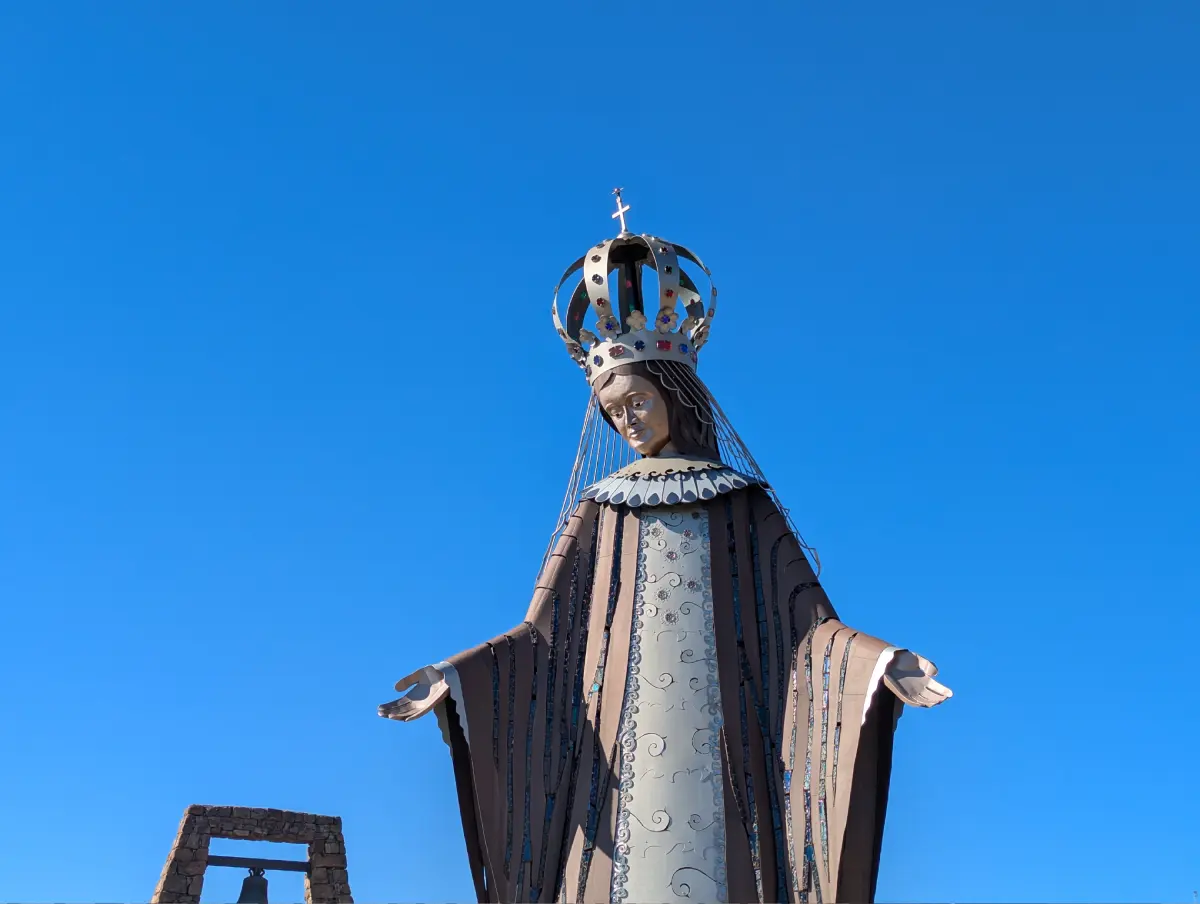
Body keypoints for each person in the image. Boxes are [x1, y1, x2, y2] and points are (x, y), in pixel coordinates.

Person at [380, 215, 950, 904]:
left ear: (674, 396)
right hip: (618, 769)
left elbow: (810, 627)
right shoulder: (600, 508)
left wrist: (882, 662)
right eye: (615, 413)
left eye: (638, 403)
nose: (630, 424)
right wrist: (456, 678)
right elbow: (540, 637)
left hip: (731, 753)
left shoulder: (742, 503)